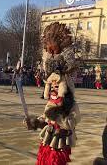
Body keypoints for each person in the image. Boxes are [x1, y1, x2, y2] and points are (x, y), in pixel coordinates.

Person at [24, 22, 80, 165]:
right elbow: (47, 117)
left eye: (56, 85)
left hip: (60, 142)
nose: (53, 87)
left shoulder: (68, 99)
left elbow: (73, 120)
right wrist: (36, 122)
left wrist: (58, 118)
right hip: (47, 141)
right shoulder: (53, 98)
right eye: (51, 85)